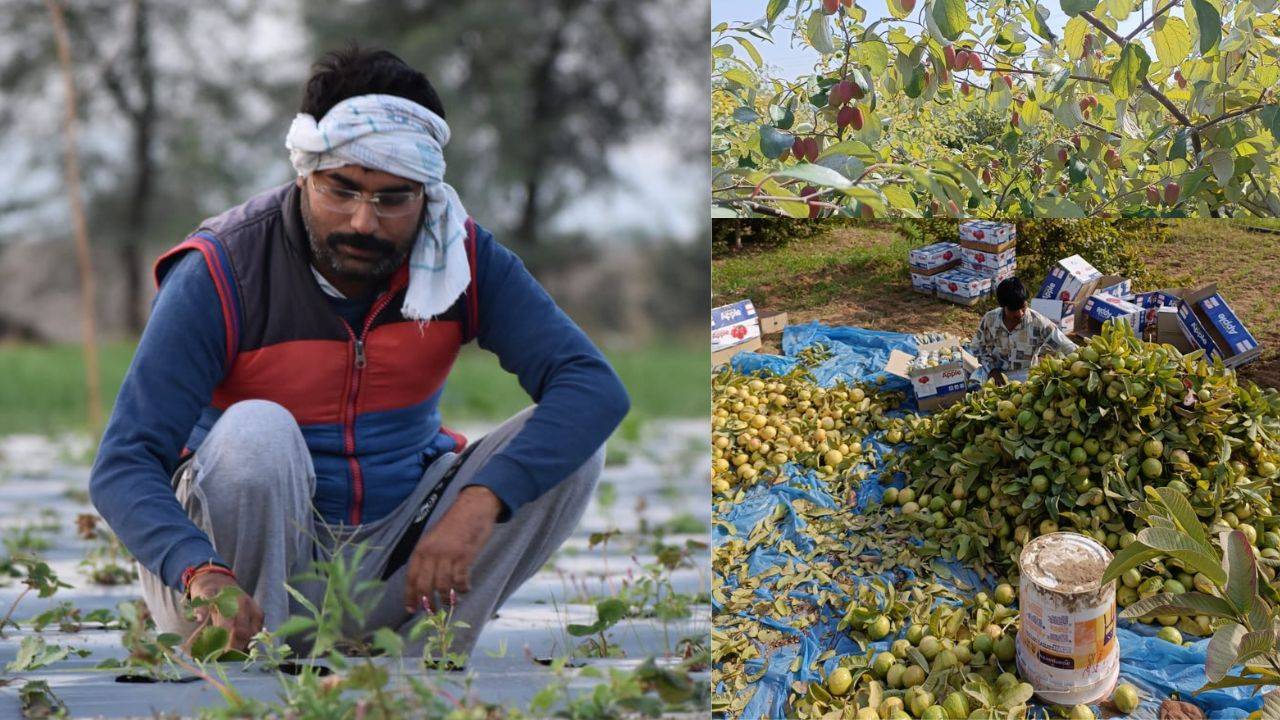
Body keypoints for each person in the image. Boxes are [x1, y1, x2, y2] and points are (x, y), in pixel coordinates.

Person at [88, 46, 630, 659]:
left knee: (572, 447)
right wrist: (198, 571)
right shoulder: (222, 270)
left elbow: (592, 386)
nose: (363, 222)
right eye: (340, 190)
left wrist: (480, 501)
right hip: (227, 581)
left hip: (393, 563)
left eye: (393, 199)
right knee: (258, 431)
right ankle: (254, 659)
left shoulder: (459, 256)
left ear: (427, 193)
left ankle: (428, 656)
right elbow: (123, 464)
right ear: (305, 172)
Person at [973, 277, 1077, 384]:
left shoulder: (1038, 322)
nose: (1020, 313)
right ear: (1003, 307)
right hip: (997, 372)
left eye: (1023, 307)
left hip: (1026, 375)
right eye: (1014, 309)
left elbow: (1067, 346)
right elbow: (977, 347)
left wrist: (1082, 360)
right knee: (974, 384)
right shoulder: (990, 319)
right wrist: (992, 370)